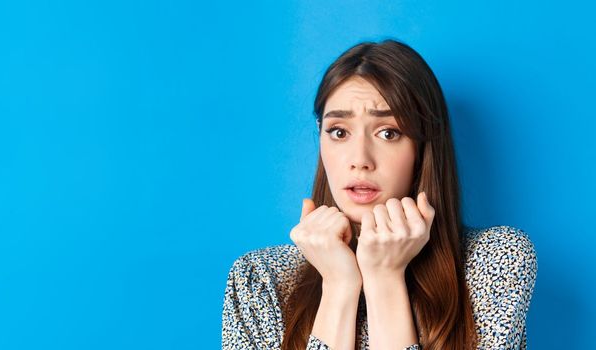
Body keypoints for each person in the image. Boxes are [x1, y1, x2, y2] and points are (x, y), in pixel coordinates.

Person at [221, 39, 537, 350]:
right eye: (339, 132)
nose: (360, 159)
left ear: (422, 149)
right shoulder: (260, 279)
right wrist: (338, 285)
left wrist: (385, 278)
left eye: (388, 132)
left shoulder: (496, 260)